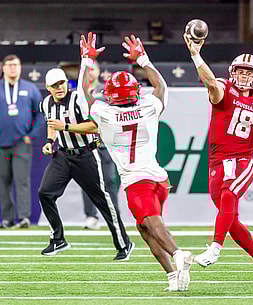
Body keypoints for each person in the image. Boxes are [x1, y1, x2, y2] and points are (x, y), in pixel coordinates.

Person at [76, 32, 192, 291]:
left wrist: (85, 60)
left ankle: (177, 254)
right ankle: (173, 276)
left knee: (151, 222)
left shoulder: (104, 114)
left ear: (111, 94)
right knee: (145, 228)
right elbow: (161, 88)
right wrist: (143, 59)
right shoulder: (149, 104)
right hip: (159, 178)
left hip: (137, 180)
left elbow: (83, 96)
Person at [183, 34, 253, 280]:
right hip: (218, 160)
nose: (244, 76)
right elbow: (210, 83)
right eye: (240, 71)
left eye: (249, 73)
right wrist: (196, 55)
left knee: (229, 195)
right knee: (232, 219)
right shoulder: (224, 88)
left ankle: (215, 247)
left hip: (243, 160)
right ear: (232, 72)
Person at [38, 65, 134, 260]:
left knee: (102, 200)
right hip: (63, 155)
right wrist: (50, 141)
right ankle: (57, 238)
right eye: (54, 85)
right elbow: (52, 126)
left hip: (85, 154)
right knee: (45, 193)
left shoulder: (78, 100)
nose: (59, 88)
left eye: (61, 83)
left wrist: (65, 126)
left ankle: (124, 243)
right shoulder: (46, 103)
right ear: (48, 88)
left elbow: (93, 127)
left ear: (67, 82)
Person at [0, 54, 43, 229]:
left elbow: (40, 114)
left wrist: (31, 135)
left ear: (20, 67)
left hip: (21, 143)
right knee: (3, 182)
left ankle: (24, 217)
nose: (12, 68)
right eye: (9, 65)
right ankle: (7, 218)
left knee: (22, 180)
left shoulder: (30, 89)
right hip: (1, 143)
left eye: (15, 65)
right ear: (3, 68)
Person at [80, 60, 121, 230]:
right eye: (87, 70)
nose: (90, 73)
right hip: (86, 144)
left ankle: (114, 215)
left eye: (93, 70)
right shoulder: (78, 93)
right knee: (89, 181)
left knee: (109, 181)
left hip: (105, 143)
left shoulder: (106, 91)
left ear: (98, 72)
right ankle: (91, 216)